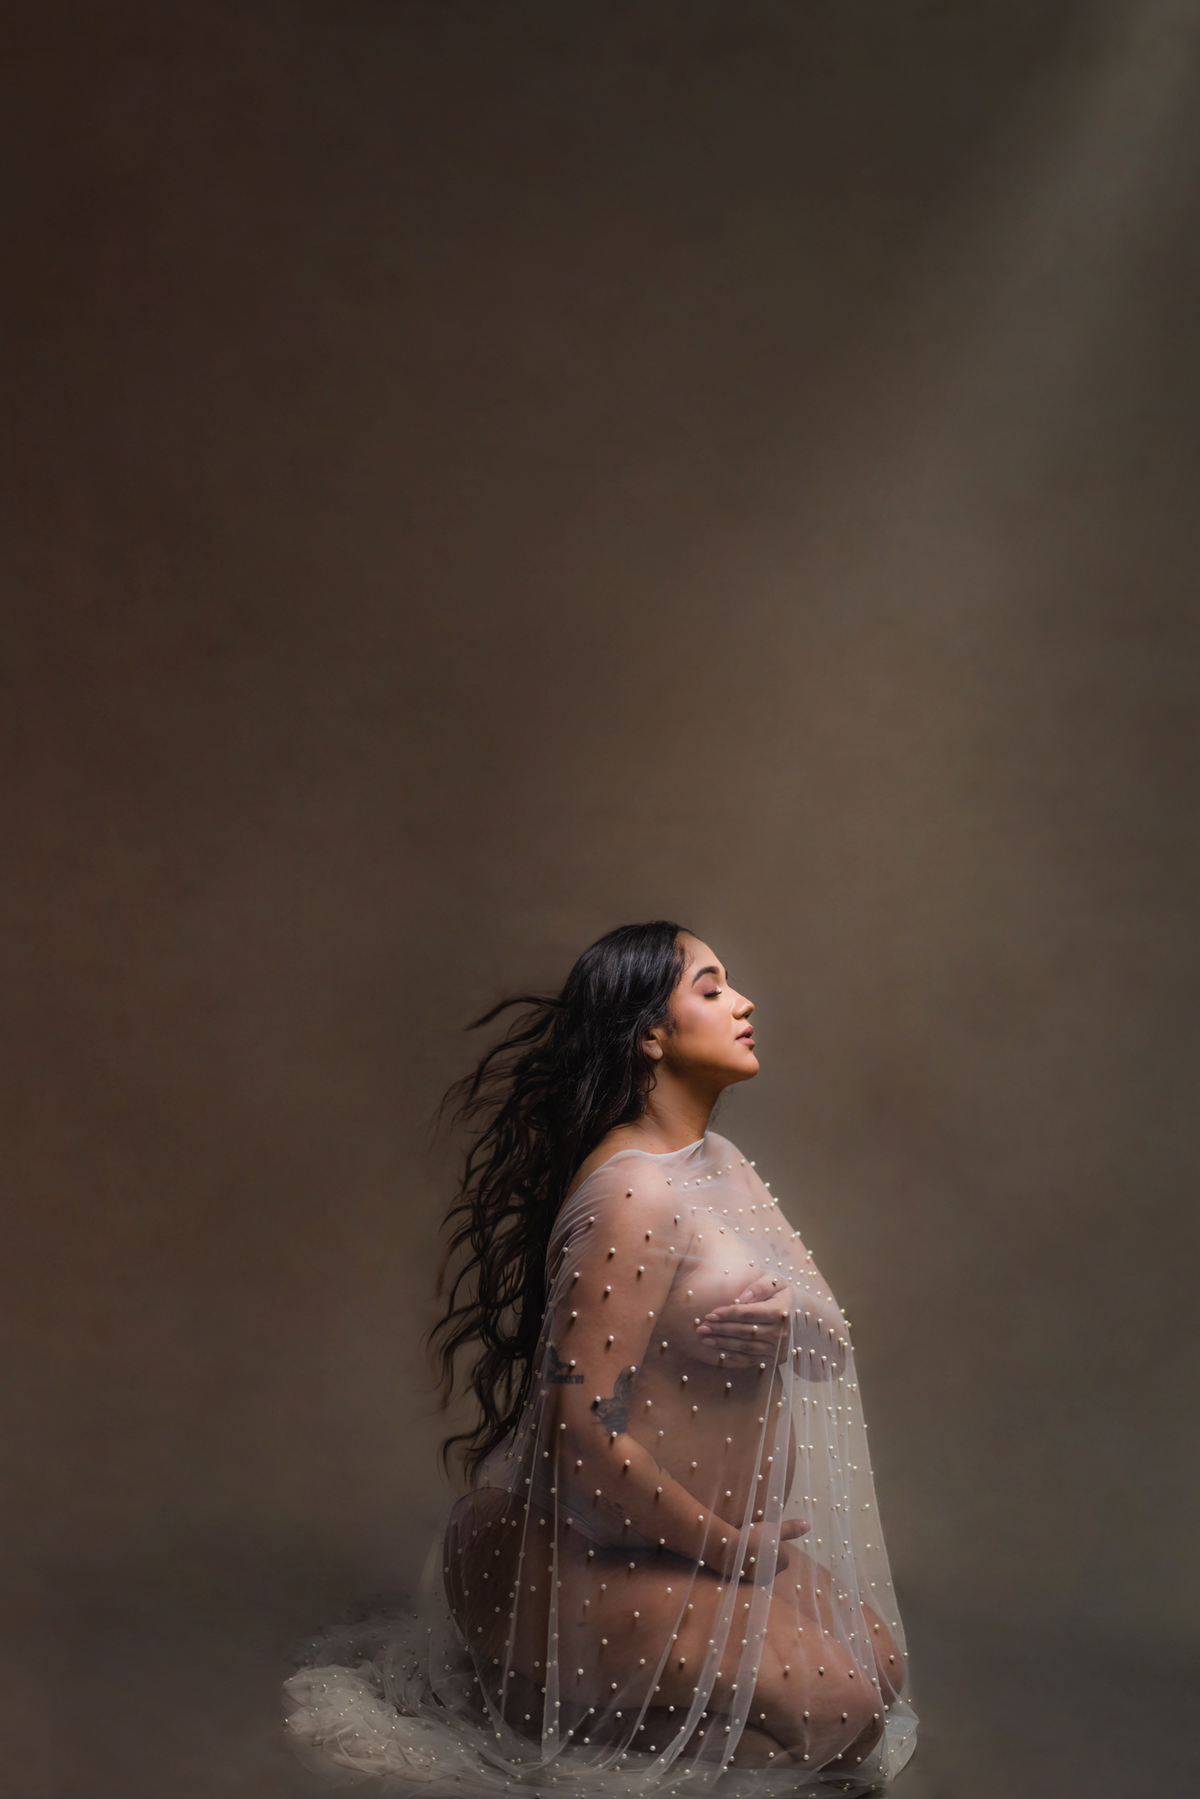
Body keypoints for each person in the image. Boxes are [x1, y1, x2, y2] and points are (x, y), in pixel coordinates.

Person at [284, 922, 917, 1795]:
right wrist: (730, 1547)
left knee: (880, 1665)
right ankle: (521, 1695)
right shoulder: (632, 1192)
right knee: (844, 1713)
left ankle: (573, 1691)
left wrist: (782, 1319)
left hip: (682, 1555)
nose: (743, 1003)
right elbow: (578, 1434)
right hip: (587, 1553)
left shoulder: (721, 1164)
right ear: (651, 1034)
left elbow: (826, 1329)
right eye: (711, 988)